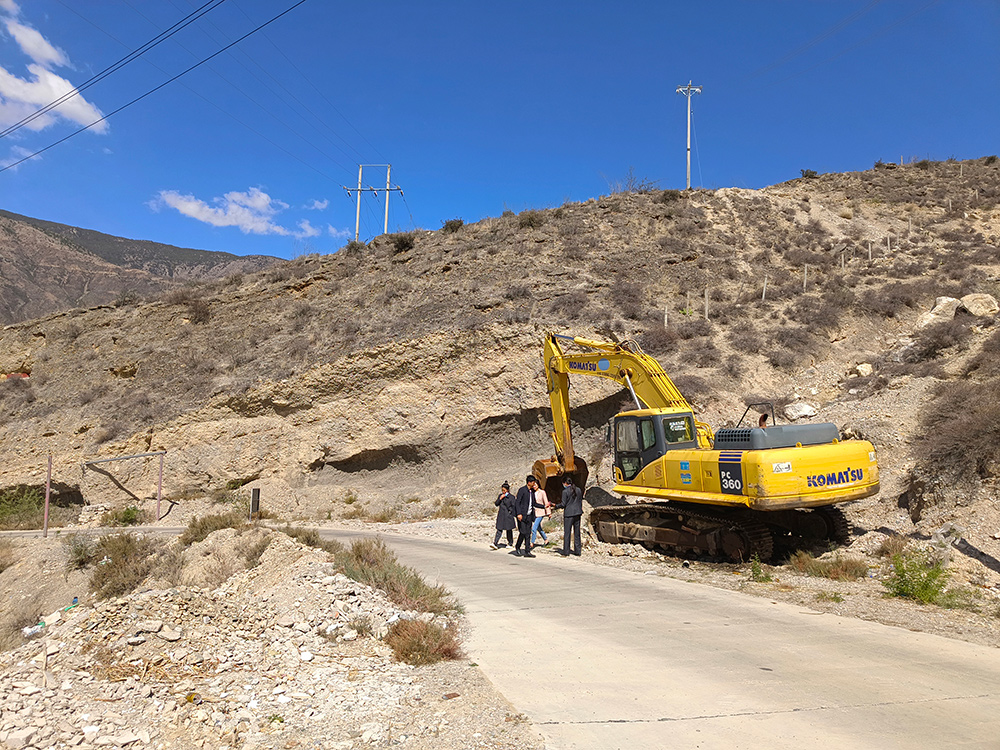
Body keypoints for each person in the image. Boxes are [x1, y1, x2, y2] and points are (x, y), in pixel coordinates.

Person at [559, 475, 584, 557]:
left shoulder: (565, 492)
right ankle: (578, 551)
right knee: (577, 533)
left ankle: (566, 551)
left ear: (565, 483)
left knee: (567, 533)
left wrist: (555, 505)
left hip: (569, 514)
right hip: (577, 513)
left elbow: (563, 504)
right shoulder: (578, 490)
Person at [513, 475, 538, 557]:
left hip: (529, 516)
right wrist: (519, 513)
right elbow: (517, 503)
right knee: (523, 532)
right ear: (529, 482)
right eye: (533, 482)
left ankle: (527, 551)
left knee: (528, 533)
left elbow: (534, 503)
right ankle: (518, 546)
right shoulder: (522, 490)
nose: (534, 484)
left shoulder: (532, 492)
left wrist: (544, 506)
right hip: (522, 515)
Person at [491, 481, 516, 549]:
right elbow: (496, 504)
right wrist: (500, 499)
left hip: (508, 516)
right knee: (499, 529)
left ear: (507, 490)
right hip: (501, 515)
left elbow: (512, 506)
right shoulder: (500, 496)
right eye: (502, 490)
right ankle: (495, 543)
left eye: (504, 490)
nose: (503, 491)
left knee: (509, 530)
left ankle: (510, 543)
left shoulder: (511, 497)